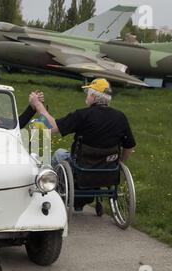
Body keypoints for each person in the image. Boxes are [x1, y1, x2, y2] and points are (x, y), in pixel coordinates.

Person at [29, 78, 136, 210]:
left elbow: (53, 128)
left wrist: (38, 105)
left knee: (59, 154)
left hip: (82, 166)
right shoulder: (120, 117)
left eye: (88, 93)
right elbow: (129, 146)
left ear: (93, 96)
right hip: (108, 166)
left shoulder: (82, 115)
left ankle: (54, 191)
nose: (86, 96)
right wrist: (119, 163)